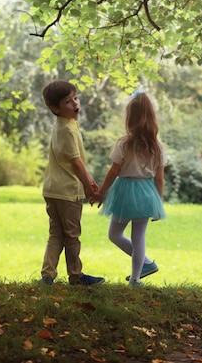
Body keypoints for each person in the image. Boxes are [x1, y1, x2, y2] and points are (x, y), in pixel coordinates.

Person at [89, 91, 167, 287]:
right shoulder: (157, 147)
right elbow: (159, 178)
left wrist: (102, 192)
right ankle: (136, 278)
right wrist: (158, 202)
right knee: (138, 236)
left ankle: (145, 266)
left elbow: (113, 171)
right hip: (147, 192)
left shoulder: (124, 143)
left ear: (130, 118)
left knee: (114, 235)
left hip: (124, 191)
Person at [38, 80, 105, 286]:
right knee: (72, 236)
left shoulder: (64, 125)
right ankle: (76, 276)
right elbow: (76, 163)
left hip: (53, 189)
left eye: (75, 98)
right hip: (68, 192)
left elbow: (76, 162)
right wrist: (87, 186)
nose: (75, 104)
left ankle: (47, 276)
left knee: (56, 234)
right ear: (55, 108)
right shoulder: (67, 130)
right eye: (68, 101)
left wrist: (90, 180)